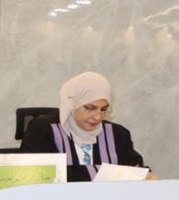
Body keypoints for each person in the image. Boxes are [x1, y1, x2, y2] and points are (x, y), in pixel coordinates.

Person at [19, 71, 148, 181]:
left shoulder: (117, 134)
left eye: (103, 109)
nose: (97, 117)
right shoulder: (43, 130)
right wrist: (111, 174)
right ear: (72, 104)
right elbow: (41, 175)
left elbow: (136, 170)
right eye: (90, 108)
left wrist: (145, 176)